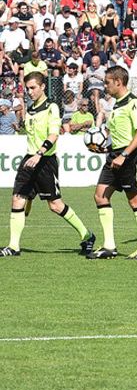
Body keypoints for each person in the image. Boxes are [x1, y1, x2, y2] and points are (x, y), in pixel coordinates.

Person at [3, 73, 95, 256]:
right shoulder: (30, 108)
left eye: (33, 88)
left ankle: (87, 235)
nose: (30, 92)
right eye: (27, 88)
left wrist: (40, 153)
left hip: (45, 161)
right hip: (29, 159)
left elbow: (53, 134)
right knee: (17, 199)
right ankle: (13, 246)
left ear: (43, 86)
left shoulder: (51, 107)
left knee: (55, 205)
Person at [88, 66, 137, 259]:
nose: (105, 86)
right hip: (115, 155)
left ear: (118, 81)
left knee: (135, 200)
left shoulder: (134, 103)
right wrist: (105, 149)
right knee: (100, 196)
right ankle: (109, 246)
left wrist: (123, 155)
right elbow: (119, 135)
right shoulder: (115, 105)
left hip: (131, 157)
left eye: (107, 82)